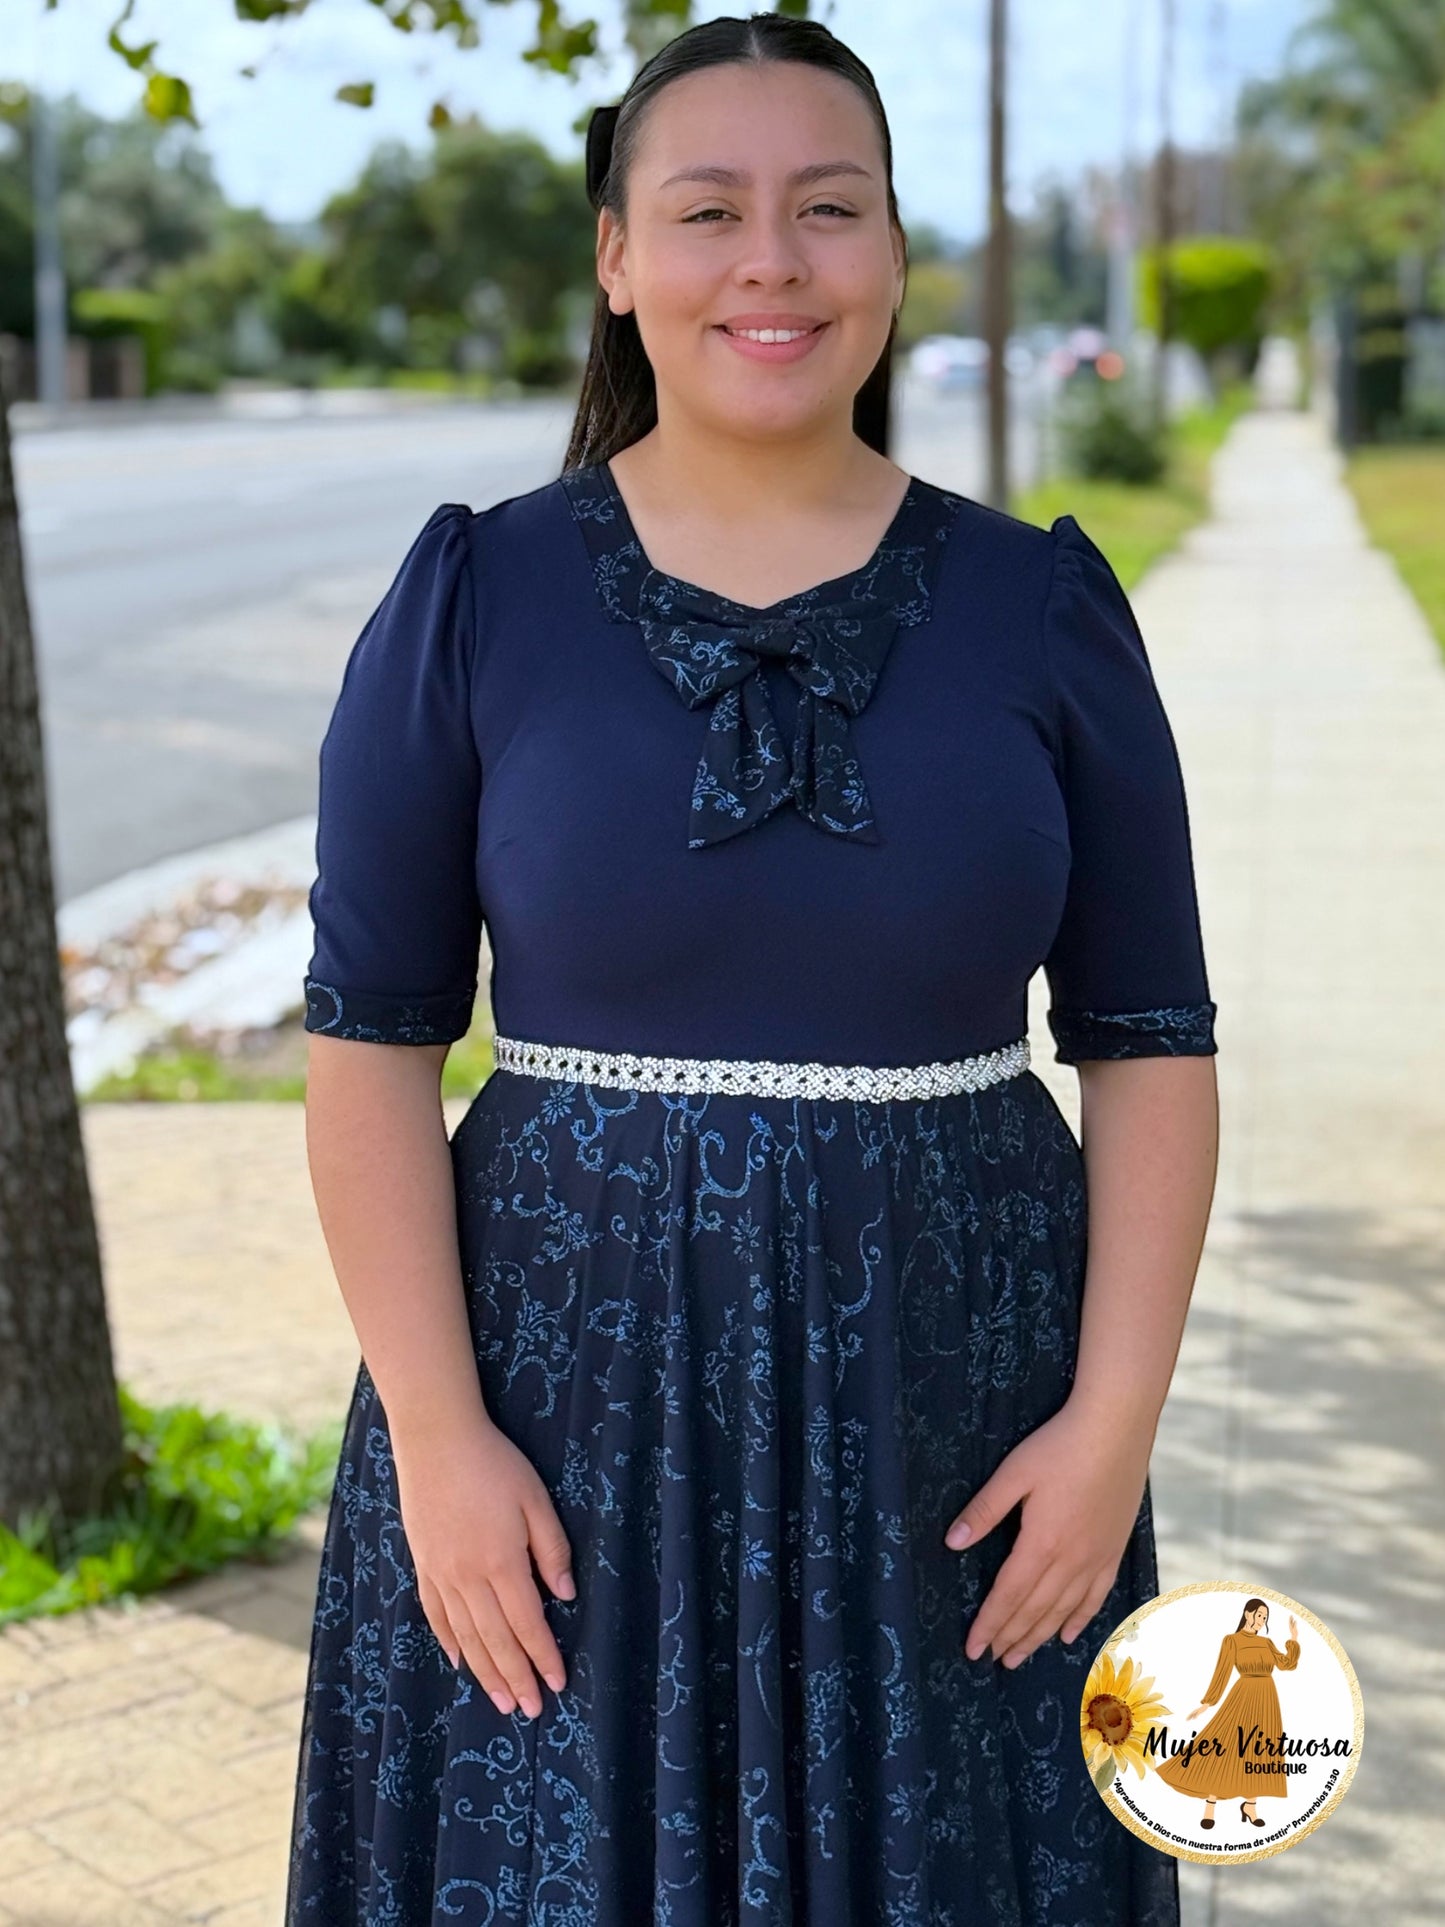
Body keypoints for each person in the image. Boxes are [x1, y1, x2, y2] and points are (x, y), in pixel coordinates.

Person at [285, 12, 1219, 1924]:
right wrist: (442, 1448)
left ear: (893, 253)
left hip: (959, 1419)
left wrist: (1112, 1428)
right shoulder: (476, 594)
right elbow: (370, 1046)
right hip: (553, 1430)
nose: (771, 261)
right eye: (708, 211)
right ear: (619, 263)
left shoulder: (1043, 605)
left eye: (829, 208)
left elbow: (1151, 1044)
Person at [1154, 1599, 1302, 1832]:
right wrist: (1207, 1703)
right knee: (1225, 1746)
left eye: (1265, 1617)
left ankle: (1250, 1807)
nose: (1262, 1621)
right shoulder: (1231, 1641)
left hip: (1266, 1699)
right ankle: (1210, 1807)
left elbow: (1286, 1665)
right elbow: (1221, 1673)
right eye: (1259, 1615)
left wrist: (1293, 1639)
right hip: (1242, 1696)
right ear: (1247, 1613)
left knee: (1258, 1750)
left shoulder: (1267, 1643)